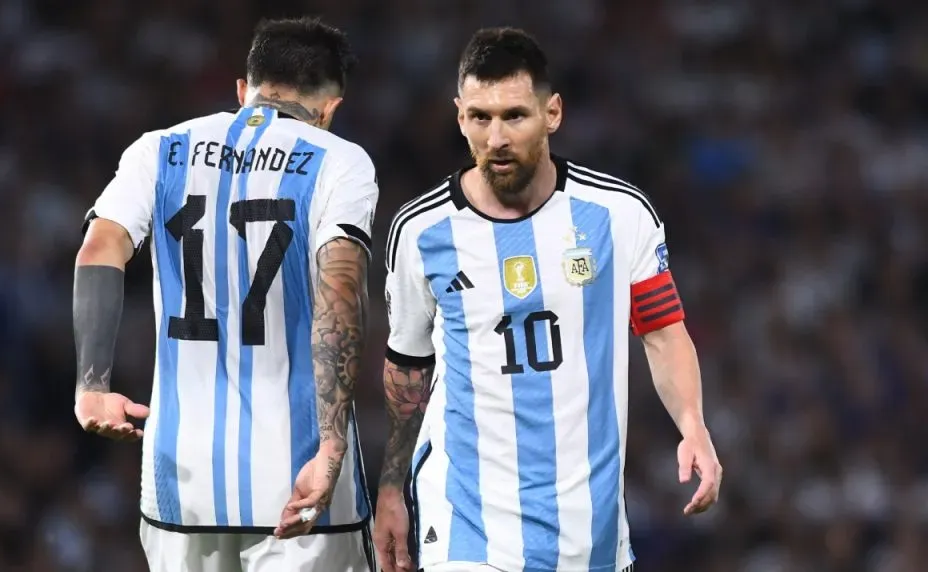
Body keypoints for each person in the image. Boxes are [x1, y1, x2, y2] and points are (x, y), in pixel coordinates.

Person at [372, 27, 722, 572]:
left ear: (552, 113)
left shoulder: (618, 214)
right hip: (466, 522)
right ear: (460, 116)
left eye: (515, 115)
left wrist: (693, 424)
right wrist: (392, 485)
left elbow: (662, 331)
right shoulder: (421, 231)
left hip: (589, 531)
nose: (496, 137)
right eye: (480, 118)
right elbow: (408, 368)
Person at [71, 17, 378, 572]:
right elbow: (340, 288)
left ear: (244, 90)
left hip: (180, 482)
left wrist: (91, 386)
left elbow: (98, 249)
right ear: (331, 108)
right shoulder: (340, 160)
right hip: (300, 476)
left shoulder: (158, 149)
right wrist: (331, 446)